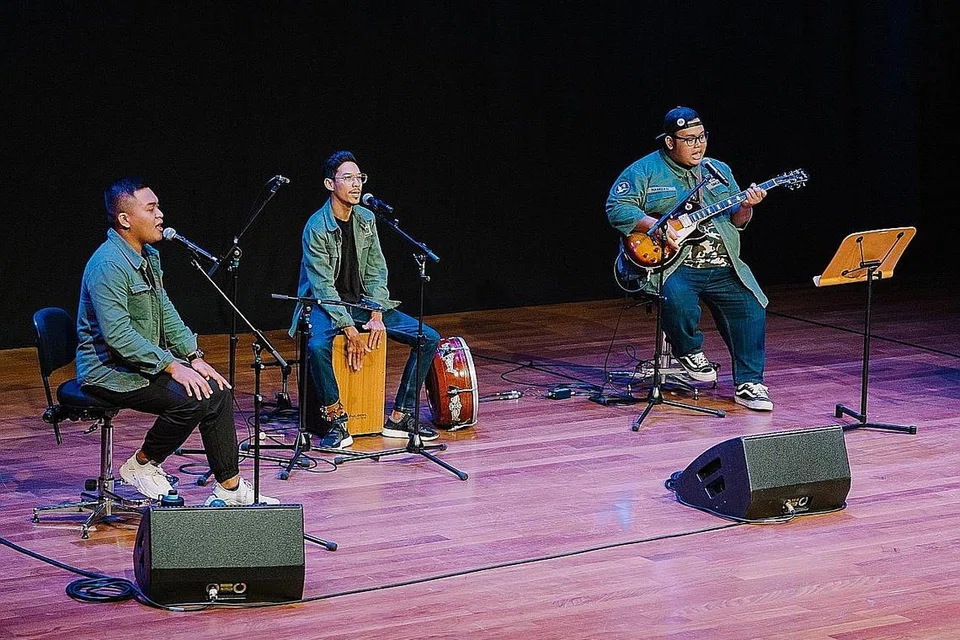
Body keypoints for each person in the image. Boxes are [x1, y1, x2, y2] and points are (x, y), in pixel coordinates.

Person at [76, 177, 278, 505]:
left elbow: (166, 313)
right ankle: (142, 464)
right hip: (109, 371)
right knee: (193, 398)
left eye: (159, 207)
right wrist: (172, 366)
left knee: (216, 390)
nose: (160, 215)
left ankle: (229, 488)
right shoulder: (108, 265)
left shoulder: (148, 258)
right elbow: (117, 336)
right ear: (125, 219)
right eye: (151, 208)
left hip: (139, 364)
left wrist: (193, 357)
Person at [606, 106, 773, 411]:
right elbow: (616, 208)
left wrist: (747, 206)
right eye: (690, 139)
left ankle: (749, 383)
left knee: (750, 305)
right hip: (673, 265)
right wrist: (654, 225)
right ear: (670, 142)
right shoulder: (644, 170)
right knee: (677, 298)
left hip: (723, 264)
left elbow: (737, 220)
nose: (698, 145)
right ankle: (689, 351)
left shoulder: (719, 170)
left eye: (702, 137)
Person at [291, 151, 442, 448]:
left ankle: (400, 416)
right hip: (325, 305)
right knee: (317, 346)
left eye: (359, 177)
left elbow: (376, 272)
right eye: (348, 178)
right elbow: (322, 287)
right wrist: (349, 329)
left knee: (428, 337)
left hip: (361, 304)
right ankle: (337, 422)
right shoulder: (316, 226)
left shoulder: (367, 219)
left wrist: (376, 313)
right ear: (329, 184)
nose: (356, 184)